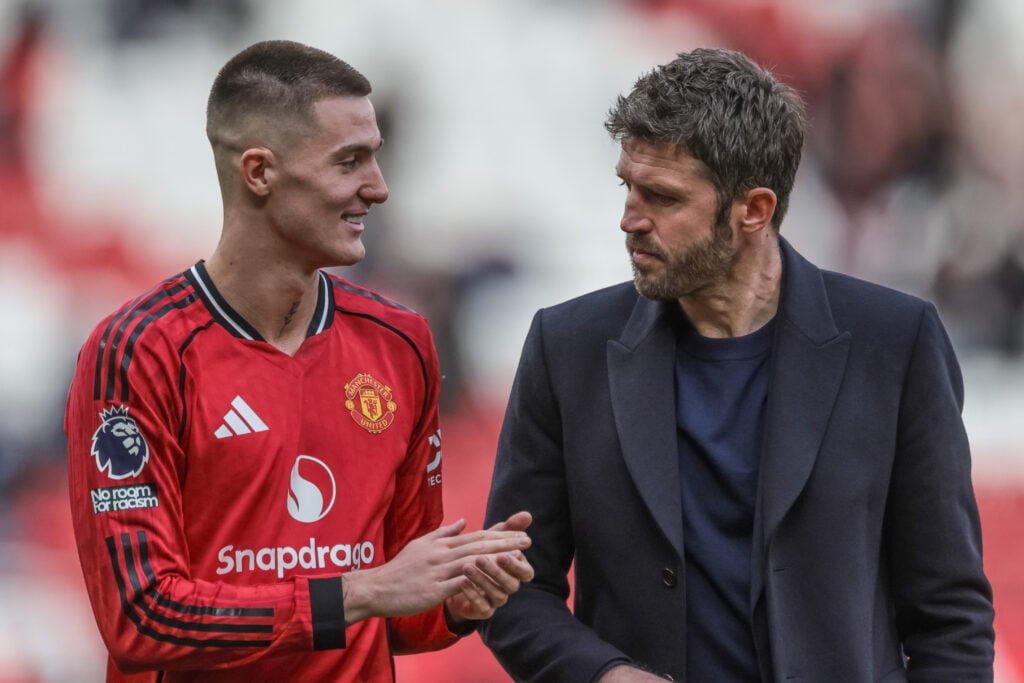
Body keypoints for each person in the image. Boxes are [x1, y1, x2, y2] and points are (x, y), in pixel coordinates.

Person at [479, 47, 995, 682]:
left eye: (662, 198)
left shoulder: (895, 343)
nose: (629, 219)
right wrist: (606, 675)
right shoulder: (566, 347)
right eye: (627, 186)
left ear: (754, 210)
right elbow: (510, 589)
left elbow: (949, 614)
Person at [64, 39, 533, 683]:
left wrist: (454, 598)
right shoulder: (138, 352)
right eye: (350, 162)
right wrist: (359, 591)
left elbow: (396, 610)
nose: (379, 188)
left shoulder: (400, 342)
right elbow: (141, 618)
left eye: (376, 158)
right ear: (259, 172)